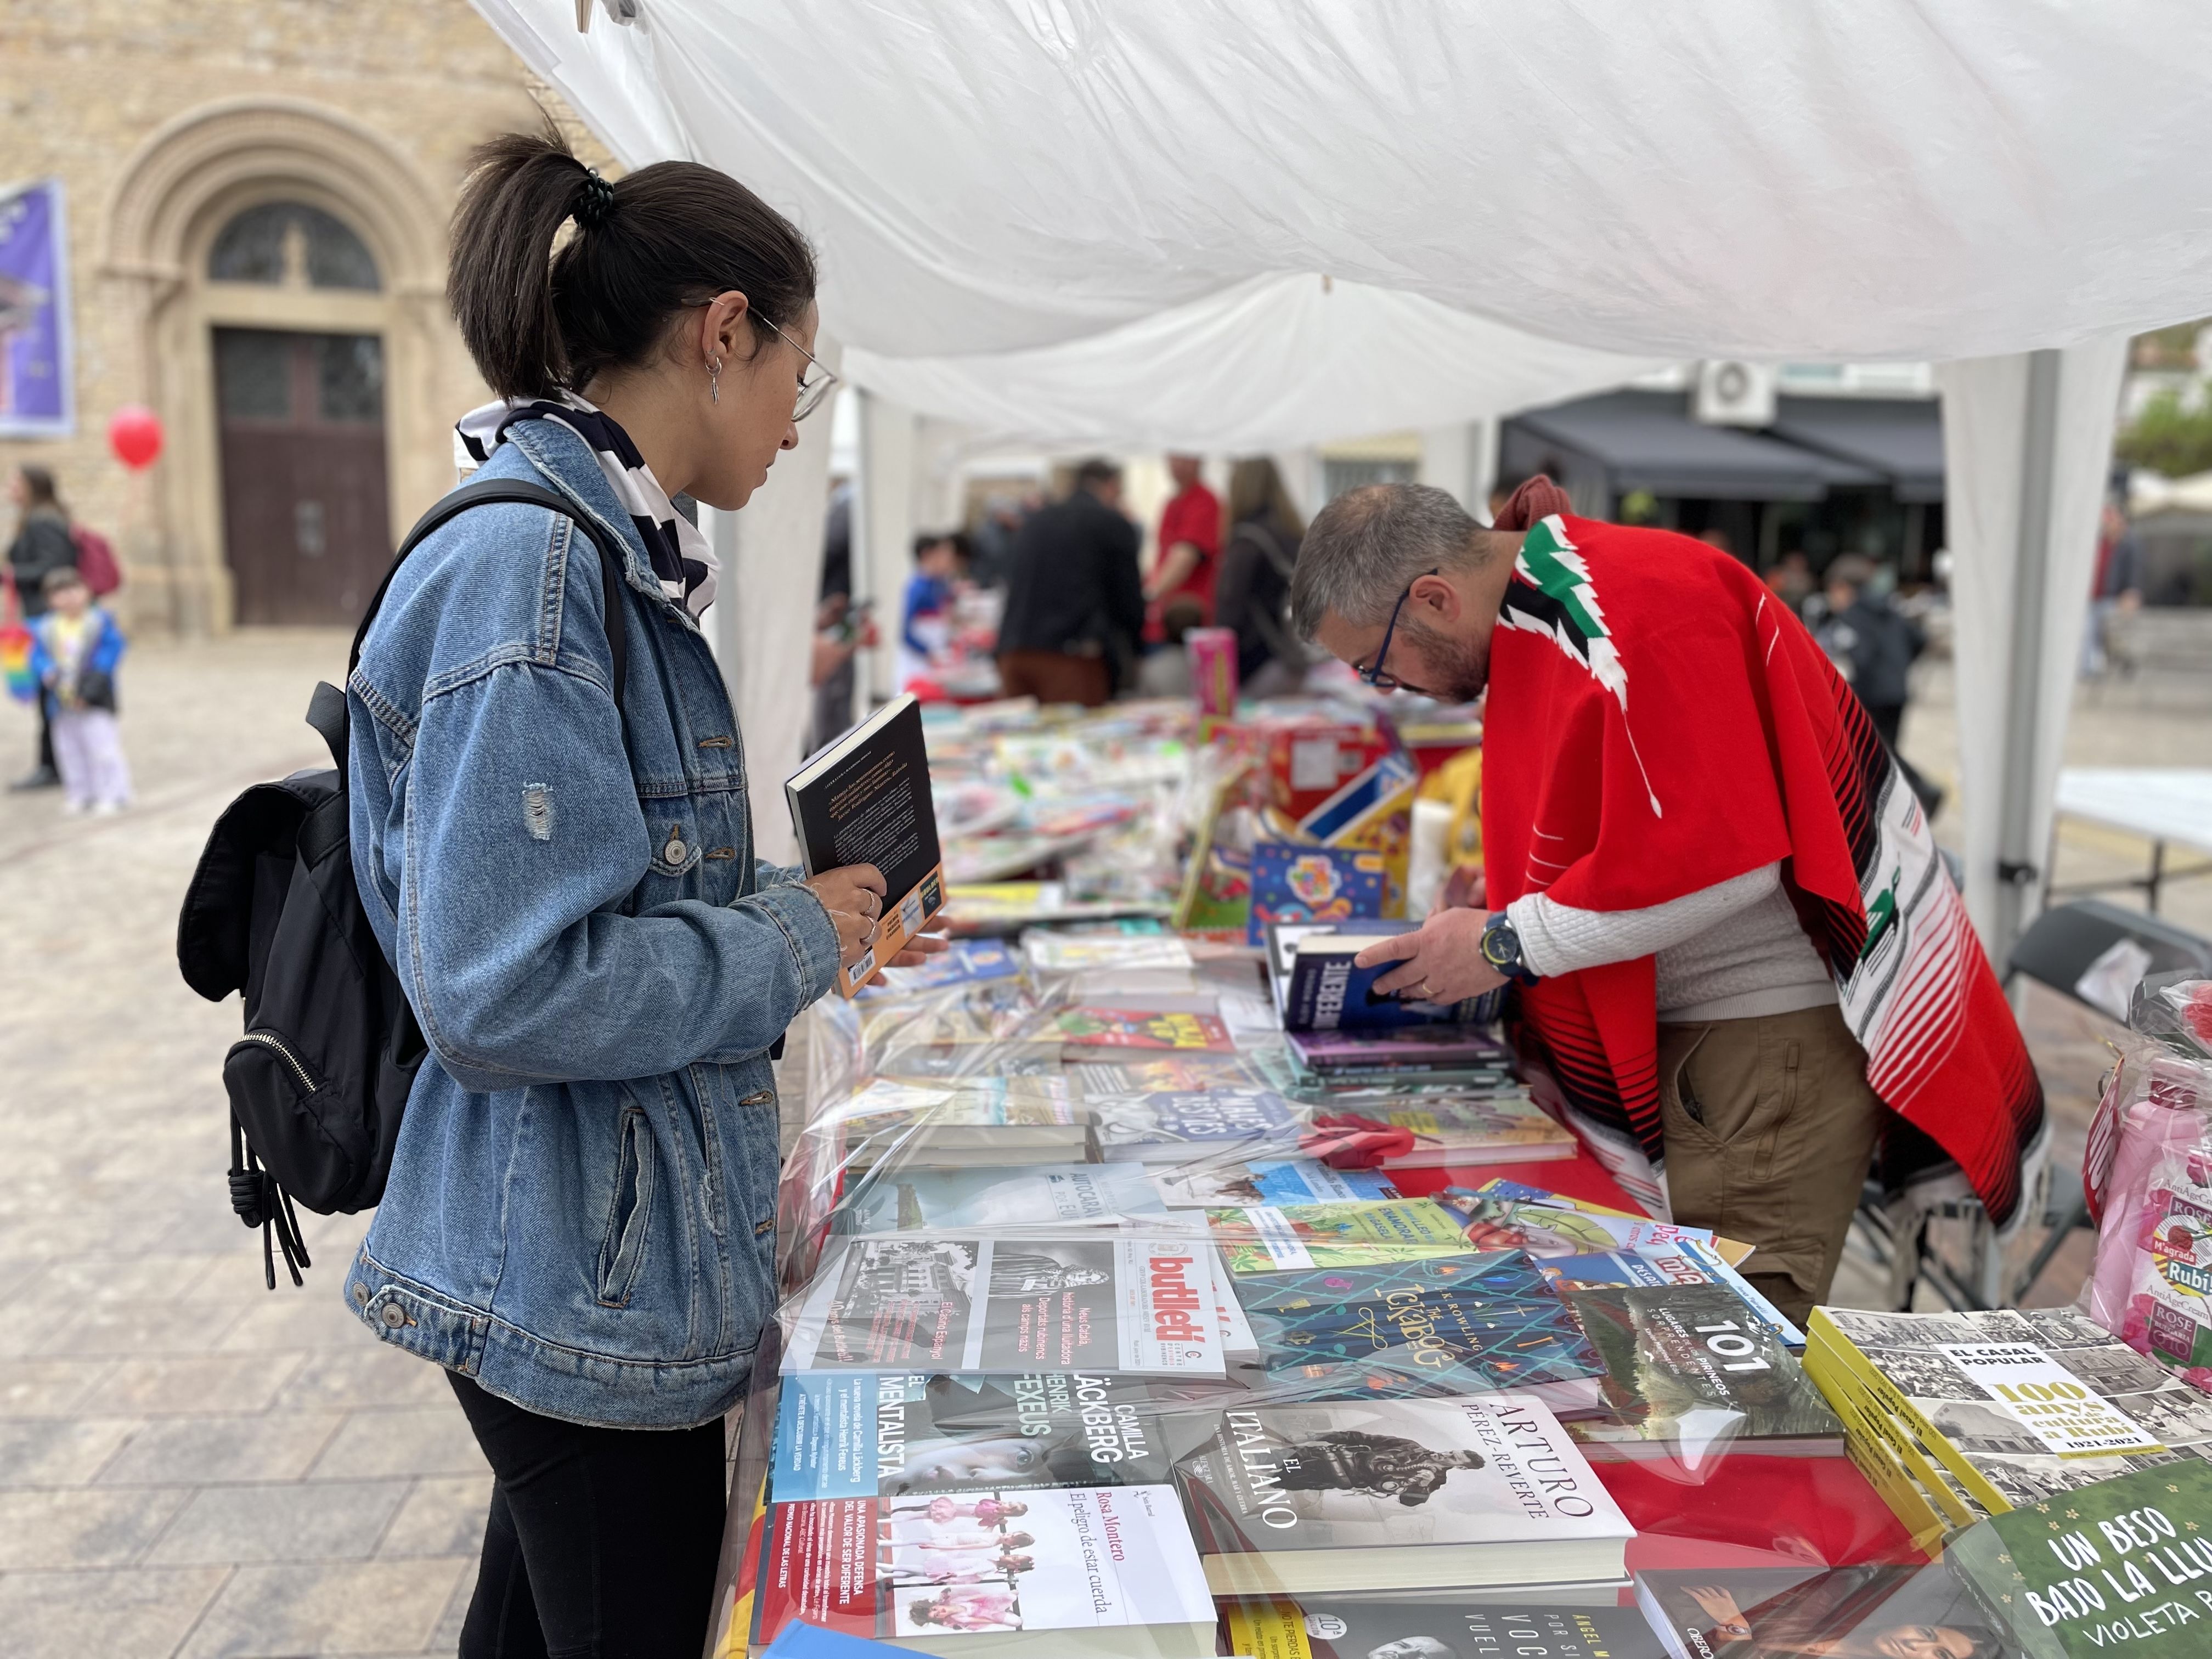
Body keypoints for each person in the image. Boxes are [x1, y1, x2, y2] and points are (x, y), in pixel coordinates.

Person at [345, 126, 944, 1659]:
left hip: (590, 1258)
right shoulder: (537, 572)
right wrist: (794, 935)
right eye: (795, 384)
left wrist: (821, 903)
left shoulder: (602, 549)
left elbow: (622, 873)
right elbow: (506, 982)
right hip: (572, 1279)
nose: (795, 435)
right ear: (721, 332)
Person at [1287, 479, 2042, 1323]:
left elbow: (1724, 865)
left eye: (1377, 664)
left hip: (1759, 1056)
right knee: (1663, 1344)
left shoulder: (1626, 610)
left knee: (1722, 1363)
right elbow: (1626, 825)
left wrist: (1503, 940)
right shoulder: (1545, 599)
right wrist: (1509, 897)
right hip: (1720, 1039)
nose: (1386, 687)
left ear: (1433, 596)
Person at [995, 458, 1143, 707]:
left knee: (1020, 743)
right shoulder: (1110, 523)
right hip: (1071, 657)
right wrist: (1137, 651)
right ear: (1111, 485)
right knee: (1073, 742)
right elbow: (1128, 601)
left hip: (1014, 653)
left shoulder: (1036, 521)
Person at [1811, 555, 1940, 817]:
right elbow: (1919, 638)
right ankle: (1895, 805)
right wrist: (1900, 666)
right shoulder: (1891, 606)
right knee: (1884, 753)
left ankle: (1921, 794)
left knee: (1873, 754)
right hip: (1897, 691)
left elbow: (1859, 656)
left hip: (1870, 694)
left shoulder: (1851, 616)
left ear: (1842, 587)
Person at [28, 565, 131, 814]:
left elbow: (108, 658)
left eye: (74, 589)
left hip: (93, 698)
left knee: (102, 748)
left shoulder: (100, 623)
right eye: (60, 592)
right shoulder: (45, 628)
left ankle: (113, 793)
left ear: (86, 591)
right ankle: (80, 793)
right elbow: (36, 656)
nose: (69, 597)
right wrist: (47, 670)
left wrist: (87, 693)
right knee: (69, 751)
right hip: (60, 701)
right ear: (50, 599)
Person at [1214, 456, 1311, 697]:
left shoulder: (1248, 540)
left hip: (1259, 664)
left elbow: (1229, 614)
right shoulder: (1295, 534)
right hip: (1299, 659)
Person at [6, 464, 78, 790]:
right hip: (38, 617)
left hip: (45, 619)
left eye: (15, 481)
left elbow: (56, 566)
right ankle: (56, 761)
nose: (10, 487)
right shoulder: (34, 519)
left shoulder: (43, 521)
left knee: (50, 690)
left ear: (33, 486)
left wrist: (11, 574)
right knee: (45, 691)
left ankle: (53, 765)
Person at [1144, 452, 1221, 628]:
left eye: (1184, 457)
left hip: (1189, 618)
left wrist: (1150, 595)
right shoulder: (1171, 503)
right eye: (1173, 457)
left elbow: (1185, 558)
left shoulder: (1204, 501)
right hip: (1167, 615)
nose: (1177, 464)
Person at [2082, 498, 2143, 679]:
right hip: (2094, 596)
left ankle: (2117, 663)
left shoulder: (2129, 543)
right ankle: (2090, 668)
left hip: (2112, 596)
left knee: (2111, 635)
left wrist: (2132, 591)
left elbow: (2135, 569)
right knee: (2089, 633)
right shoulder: (2100, 541)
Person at [899, 531, 961, 692]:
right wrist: (928, 653)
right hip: (917, 662)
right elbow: (905, 632)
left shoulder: (939, 583)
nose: (948, 561)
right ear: (928, 555)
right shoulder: (916, 588)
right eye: (943, 555)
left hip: (934, 656)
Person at [1766, 549, 1815, 616]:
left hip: (1799, 613)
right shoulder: (1776, 576)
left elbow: (1809, 596)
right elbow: (1769, 595)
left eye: (1800, 562)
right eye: (1795, 562)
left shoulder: (1807, 579)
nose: (1797, 565)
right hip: (1777, 609)